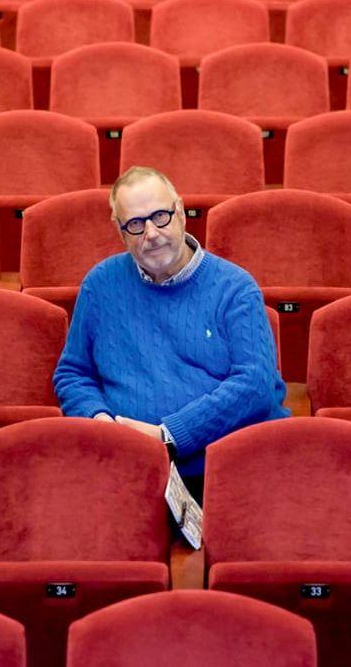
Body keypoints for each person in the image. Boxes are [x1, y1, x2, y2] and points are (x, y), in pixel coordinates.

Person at [53, 166, 289, 499]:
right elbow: (73, 373)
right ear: (120, 231)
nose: (151, 233)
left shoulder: (235, 288)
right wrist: (101, 423)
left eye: (160, 216)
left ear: (180, 211)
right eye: (135, 224)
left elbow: (255, 385)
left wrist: (169, 434)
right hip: (128, 469)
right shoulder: (100, 284)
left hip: (226, 471)